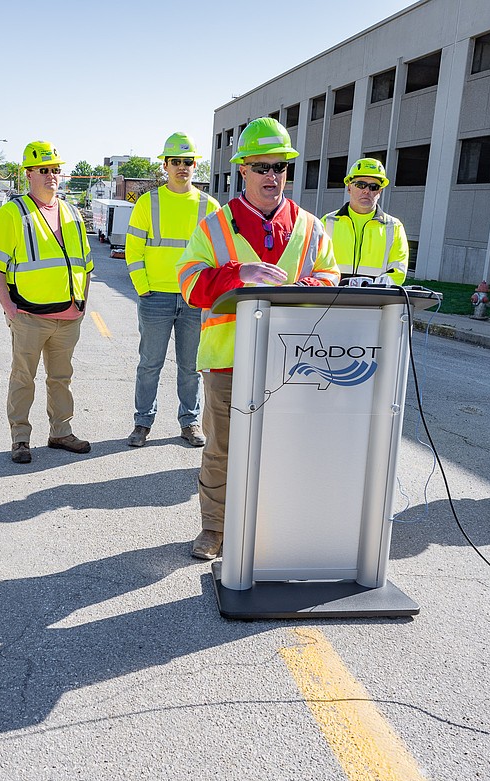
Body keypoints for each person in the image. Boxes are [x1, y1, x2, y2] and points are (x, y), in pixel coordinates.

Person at [176, 117, 339, 559]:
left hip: (293, 361)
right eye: (262, 167)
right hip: (230, 360)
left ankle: (274, 525)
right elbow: (190, 284)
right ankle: (214, 528)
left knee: (287, 448)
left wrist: (303, 290)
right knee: (223, 451)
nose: (273, 176)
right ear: (242, 170)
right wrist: (237, 274)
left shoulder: (309, 226)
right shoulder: (214, 227)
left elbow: (329, 275)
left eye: (280, 167)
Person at [0, 140, 94, 464]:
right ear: (28, 174)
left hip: (69, 316)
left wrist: (82, 303)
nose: (51, 176)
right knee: (23, 378)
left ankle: (60, 431)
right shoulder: (14, 212)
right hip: (29, 315)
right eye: (44, 170)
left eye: (55, 170)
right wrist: (9, 309)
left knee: (61, 379)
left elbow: (85, 262)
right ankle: (21, 439)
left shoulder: (70, 211)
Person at [125, 132, 220, 449]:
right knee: (149, 364)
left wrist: (206, 293)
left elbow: (217, 254)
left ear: (195, 165)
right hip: (156, 299)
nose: (182, 167)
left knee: (190, 367)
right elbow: (133, 249)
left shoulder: (209, 205)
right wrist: (144, 288)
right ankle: (142, 423)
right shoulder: (147, 202)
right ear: (165, 165)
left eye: (187, 161)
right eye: (176, 161)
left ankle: (190, 422)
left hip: (194, 299)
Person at [321, 157, 408, 286]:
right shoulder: (327, 221)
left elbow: (398, 272)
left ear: (380, 191)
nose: (366, 190)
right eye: (360, 185)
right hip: (331, 297)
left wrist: (369, 289)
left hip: (373, 301)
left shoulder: (394, 227)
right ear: (349, 187)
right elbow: (315, 264)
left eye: (373, 186)